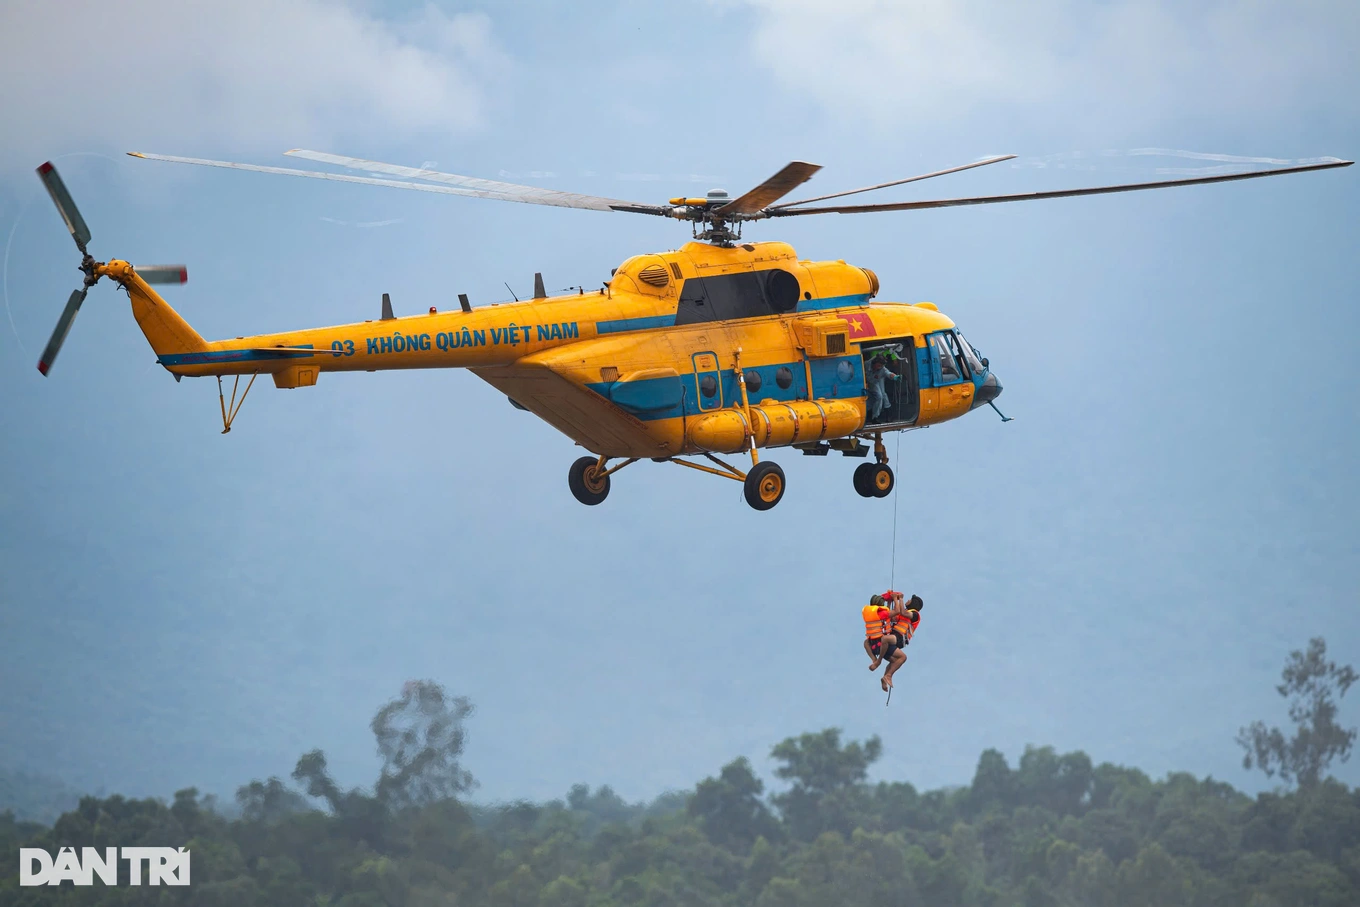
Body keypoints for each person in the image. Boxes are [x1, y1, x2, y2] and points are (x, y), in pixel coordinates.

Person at [862, 594, 906, 692]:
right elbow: (897, 612)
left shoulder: (870, 613)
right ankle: (883, 668)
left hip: (873, 645)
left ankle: (882, 673)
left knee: (893, 661)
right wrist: (895, 599)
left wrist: (889, 601)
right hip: (883, 645)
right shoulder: (880, 614)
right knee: (902, 657)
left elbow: (886, 615)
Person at [866, 355, 901, 422]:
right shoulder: (866, 364)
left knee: (879, 397)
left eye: (881, 366)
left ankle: (874, 417)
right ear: (874, 363)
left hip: (873, 383)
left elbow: (888, 373)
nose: (879, 368)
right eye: (878, 365)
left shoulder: (882, 369)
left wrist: (895, 377)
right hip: (862, 383)